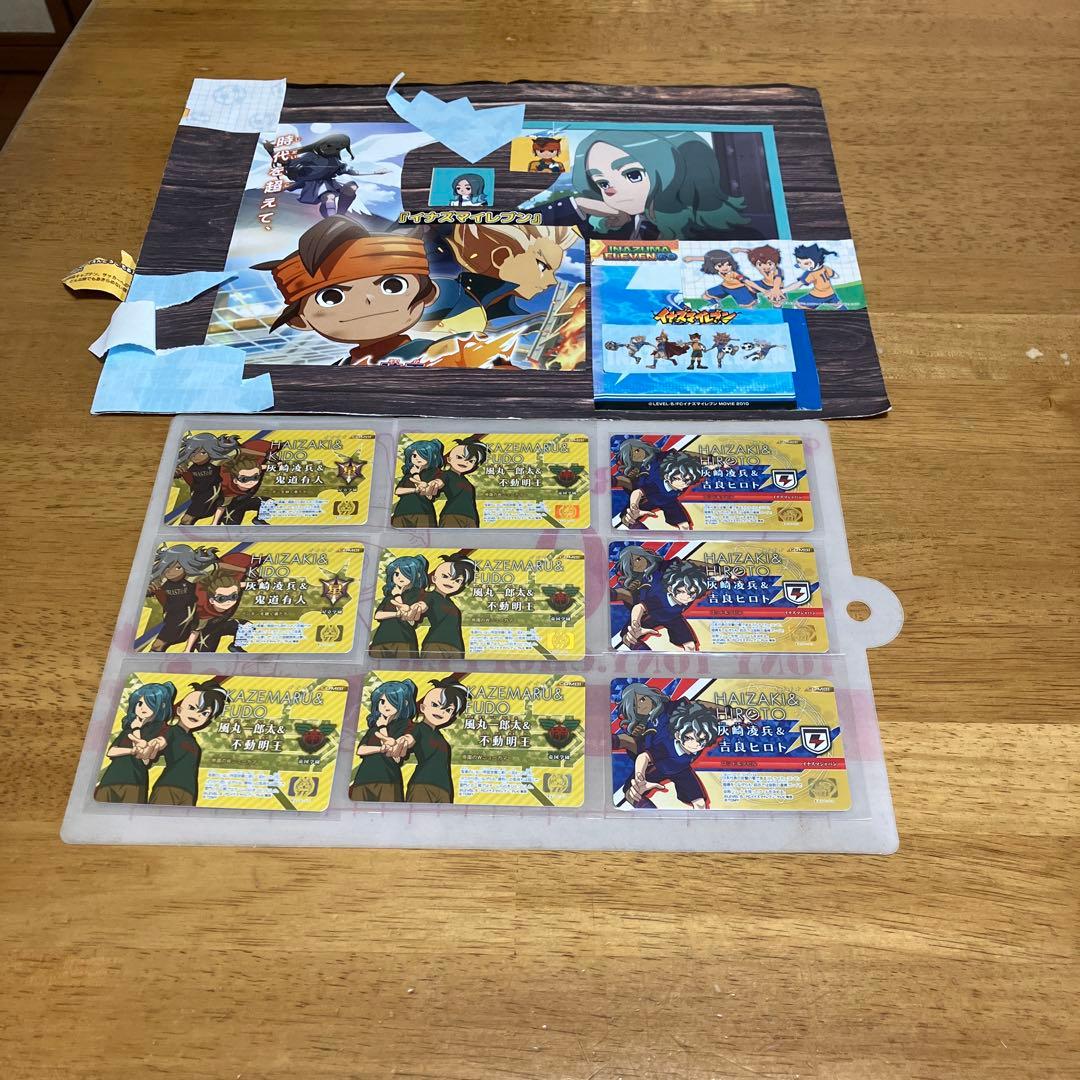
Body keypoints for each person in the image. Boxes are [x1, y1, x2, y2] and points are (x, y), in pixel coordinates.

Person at [255, 217, 438, 366]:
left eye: (393, 286)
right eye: (331, 297)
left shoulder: (438, 354)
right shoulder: (339, 370)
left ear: (429, 294)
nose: (367, 299)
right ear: (299, 320)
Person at [536, 129, 752, 240]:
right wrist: (579, 204)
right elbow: (517, 225)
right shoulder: (610, 226)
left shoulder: (724, 235)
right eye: (602, 183)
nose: (611, 191)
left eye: (632, 174)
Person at [621, 699, 723, 809]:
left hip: (681, 769)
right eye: (689, 738)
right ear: (678, 735)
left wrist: (730, 713)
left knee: (700, 802)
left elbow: (709, 714)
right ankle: (654, 815)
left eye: (702, 740)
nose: (697, 744)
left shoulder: (705, 732)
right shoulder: (666, 747)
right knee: (632, 792)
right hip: (658, 768)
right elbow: (644, 757)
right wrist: (639, 777)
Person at [382, 678, 470, 804]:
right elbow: (409, 738)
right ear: (423, 707)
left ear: (452, 715)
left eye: (448, 710)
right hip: (422, 785)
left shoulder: (440, 737)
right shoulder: (418, 728)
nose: (440, 711)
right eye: (435, 705)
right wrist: (402, 742)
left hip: (444, 789)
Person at [146, 683, 228, 806]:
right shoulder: (172, 731)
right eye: (192, 708)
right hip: (168, 787)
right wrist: (155, 744)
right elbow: (162, 740)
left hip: (189, 791)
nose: (197, 714)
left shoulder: (192, 741)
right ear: (179, 710)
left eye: (204, 713)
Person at [94, 682, 176, 803]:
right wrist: (132, 750)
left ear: (162, 706)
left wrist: (136, 730)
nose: (142, 708)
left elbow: (144, 758)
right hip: (110, 779)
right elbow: (111, 752)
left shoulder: (160, 730)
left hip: (134, 782)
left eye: (149, 704)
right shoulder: (128, 729)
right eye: (140, 703)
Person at [349, 679, 418, 802]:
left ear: (405, 703)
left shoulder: (407, 726)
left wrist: (382, 728)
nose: (385, 706)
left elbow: (394, 753)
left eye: (391, 702)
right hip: (364, 778)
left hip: (388, 780)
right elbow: (361, 750)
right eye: (382, 702)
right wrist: (381, 749)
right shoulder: (374, 727)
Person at [621, 557, 711, 651]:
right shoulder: (659, 598)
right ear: (670, 589)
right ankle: (647, 656)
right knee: (628, 637)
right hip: (652, 616)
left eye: (692, 593)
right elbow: (639, 607)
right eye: (681, 591)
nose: (687, 596)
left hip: (673, 618)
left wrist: (716, 570)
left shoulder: (695, 587)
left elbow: (694, 566)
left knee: (690, 645)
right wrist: (635, 624)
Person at [144, 544, 217, 652]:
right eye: (168, 566)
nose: (171, 571)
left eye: (178, 567)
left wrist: (242, 570)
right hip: (170, 614)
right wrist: (148, 590)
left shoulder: (190, 579)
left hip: (183, 617)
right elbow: (150, 588)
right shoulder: (162, 580)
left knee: (157, 645)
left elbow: (217, 566)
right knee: (158, 645)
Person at [412, 556, 477, 659]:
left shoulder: (450, 602)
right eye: (445, 576)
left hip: (456, 647)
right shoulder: (430, 596)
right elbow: (423, 605)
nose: (451, 582)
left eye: (457, 580)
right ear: (434, 578)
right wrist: (419, 608)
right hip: (436, 645)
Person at [369, 555, 429, 659]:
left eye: (405, 574)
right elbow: (378, 615)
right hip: (381, 638)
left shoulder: (419, 594)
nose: (400, 578)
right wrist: (396, 614)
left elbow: (407, 617)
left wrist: (397, 596)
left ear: (417, 575)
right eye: (396, 574)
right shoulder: (390, 596)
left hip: (404, 640)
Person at [174, 432, 239, 523]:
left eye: (203, 453)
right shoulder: (190, 465)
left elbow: (236, 451)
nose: (196, 456)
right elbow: (179, 470)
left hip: (210, 493)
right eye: (193, 452)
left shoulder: (214, 463)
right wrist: (177, 472)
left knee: (186, 520)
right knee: (190, 518)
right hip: (197, 492)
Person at [429, 439, 488, 527]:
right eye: (460, 457)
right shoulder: (447, 474)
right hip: (452, 515)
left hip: (471, 518)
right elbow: (439, 481)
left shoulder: (466, 481)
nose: (465, 462)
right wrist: (435, 484)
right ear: (449, 459)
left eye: (471, 461)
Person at [391, 439, 444, 527]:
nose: (417, 458)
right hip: (401, 512)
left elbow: (427, 493)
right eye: (414, 455)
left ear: (432, 456)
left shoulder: (436, 473)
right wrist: (415, 490)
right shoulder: (409, 474)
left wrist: (416, 475)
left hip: (423, 512)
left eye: (422, 455)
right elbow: (398, 491)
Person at [793, 243, 846, 309]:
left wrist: (783, 290)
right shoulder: (825, 268)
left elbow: (798, 284)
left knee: (797, 304)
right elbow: (836, 276)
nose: (801, 266)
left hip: (817, 296)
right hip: (831, 294)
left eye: (806, 263)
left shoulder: (810, 273)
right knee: (839, 305)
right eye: (798, 262)